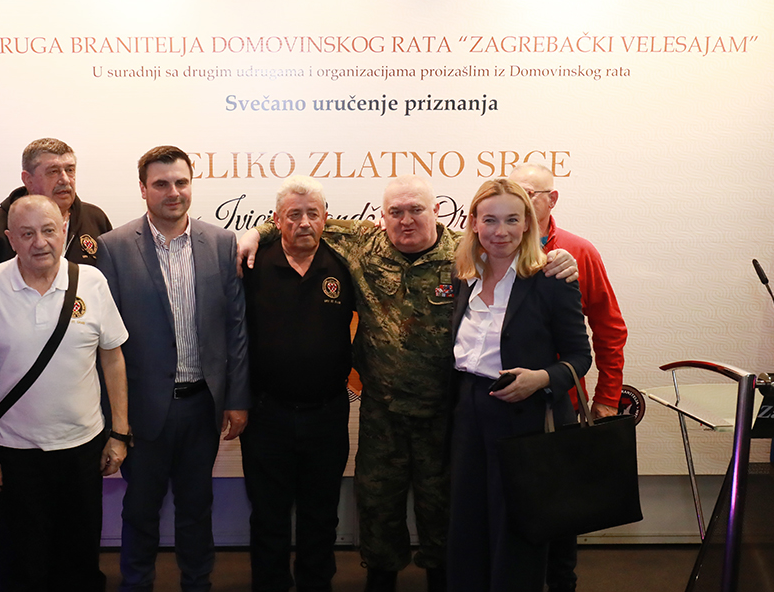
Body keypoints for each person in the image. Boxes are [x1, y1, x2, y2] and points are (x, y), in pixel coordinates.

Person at [237, 177, 578, 592]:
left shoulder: (467, 255)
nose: (406, 220)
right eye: (395, 212)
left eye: (416, 210)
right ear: (382, 216)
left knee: (443, 510)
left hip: (446, 414)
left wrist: (558, 257)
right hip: (382, 414)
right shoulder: (364, 244)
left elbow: (518, 255)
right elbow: (303, 220)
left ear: (437, 212)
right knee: (378, 508)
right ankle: (380, 580)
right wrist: (255, 233)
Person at [0, 195, 131, 592]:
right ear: (10, 239)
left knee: (79, 564)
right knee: (16, 567)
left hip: (81, 450)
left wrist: (119, 433)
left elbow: (113, 359)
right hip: (11, 454)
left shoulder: (92, 282)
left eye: (49, 230)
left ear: (64, 231)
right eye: (27, 233)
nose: (40, 242)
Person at [95, 145, 250, 592]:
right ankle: (136, 584)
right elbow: (105, 343)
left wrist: (237, 398)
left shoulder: (220, 243)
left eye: (181, 182)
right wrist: (114, 418)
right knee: (140, 511)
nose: (173, 192)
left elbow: (235, 327)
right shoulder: (113, 248)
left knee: (197, 508)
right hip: (142, 411)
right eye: (161, 184)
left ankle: (197, 583)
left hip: (202, 405)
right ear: (143, 189)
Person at [448, 178, 592, 592]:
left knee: (516, 531)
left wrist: (542, 379)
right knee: (468, 525)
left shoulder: (551, 277)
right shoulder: (463, 275)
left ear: (528, 223)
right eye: (490, 220)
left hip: (526, 418)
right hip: (469, 414)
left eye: (512, 220)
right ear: (474, 223)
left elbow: (580, 357)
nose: (501, 231)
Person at [509, 163, 628, 592]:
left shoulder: (578, 252)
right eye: (513, 193)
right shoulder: (492, 247)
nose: (521, 203)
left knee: (560, 512)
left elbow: (609, 329)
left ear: (551, 199)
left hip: (559, 406)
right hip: (503, 407)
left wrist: (608, 397)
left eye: (529, 194)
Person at [240, 177, 355, 592]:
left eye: (312, 214)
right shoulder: (251, 265)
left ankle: (315, 585)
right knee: (268, 515)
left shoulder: (345, 264)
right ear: (276, 220)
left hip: (327, 413)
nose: (304, 223)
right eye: (293, 215)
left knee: (320, 515)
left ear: (326, 219)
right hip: (267, 415)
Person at [0, 137, 113, 285]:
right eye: (53, 171)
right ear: (28, 180)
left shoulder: (95, 218)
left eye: (70, 170)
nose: (65, 179)